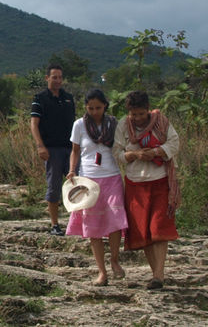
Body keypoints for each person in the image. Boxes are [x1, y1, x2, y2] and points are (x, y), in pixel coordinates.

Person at [114, 90, 180, 290]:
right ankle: (155, 275)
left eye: (141, 114)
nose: (138, 118)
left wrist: (156, 152)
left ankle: (159, 275)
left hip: (160, 181)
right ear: (129, 112)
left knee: (159, 227)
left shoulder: (161, 122)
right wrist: (133, 154)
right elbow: (117, 152)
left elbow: (174, 143)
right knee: (144, 230)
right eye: (134, 114)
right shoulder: (123, 126)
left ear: (148, 110)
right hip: (135, 183)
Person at [66, 89, 127, 286]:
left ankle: (115, 259)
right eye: (91, 108)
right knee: (92, 227)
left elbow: (121, 147)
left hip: (112, 176)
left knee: (116, 220)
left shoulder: (113, 124)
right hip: (89, 180)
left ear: (105, 106)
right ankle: (101, 271)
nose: (94, 111)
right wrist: (72, 170)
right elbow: (75, 150)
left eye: (98, 108)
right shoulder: (79, 125)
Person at [30, 64, 76, 236]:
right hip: (51, 149)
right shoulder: (40, 98)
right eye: (54, 77)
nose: (57, 80)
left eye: (60, 77)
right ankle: (55, 224)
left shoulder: (69, 98)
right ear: (47, 78)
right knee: (54, 187)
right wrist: (40, 145)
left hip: (70, 148)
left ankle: (75, 223)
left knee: (76, 184)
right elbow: (34, 124)